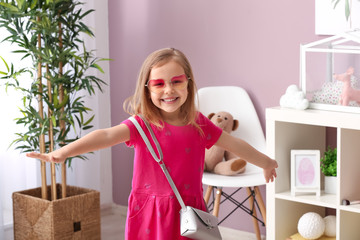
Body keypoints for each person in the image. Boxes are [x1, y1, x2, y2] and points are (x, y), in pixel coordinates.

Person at [26, 48, 278, 239]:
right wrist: (62, 152)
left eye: (176, 81)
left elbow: (233, 144)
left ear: (188, 83)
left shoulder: (198, 123)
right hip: (148, 212)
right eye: (159, 84)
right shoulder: (141, 124)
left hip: (186, 209)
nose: (168, 90)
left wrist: (266, 162)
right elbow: (104, 136)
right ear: (147, 90)